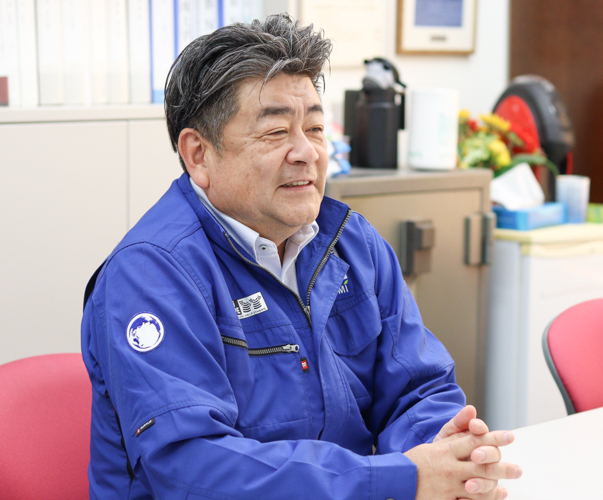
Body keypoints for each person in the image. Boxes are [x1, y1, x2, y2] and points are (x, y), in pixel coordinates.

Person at [81, 14, 521, 500]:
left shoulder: (351, 243)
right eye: (275, 132)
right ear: (198, 155)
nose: (306, 152)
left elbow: (418, 388)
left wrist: (445, 455)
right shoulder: (151, 275)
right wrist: (399, 478)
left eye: (314, 127)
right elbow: (194, 467)